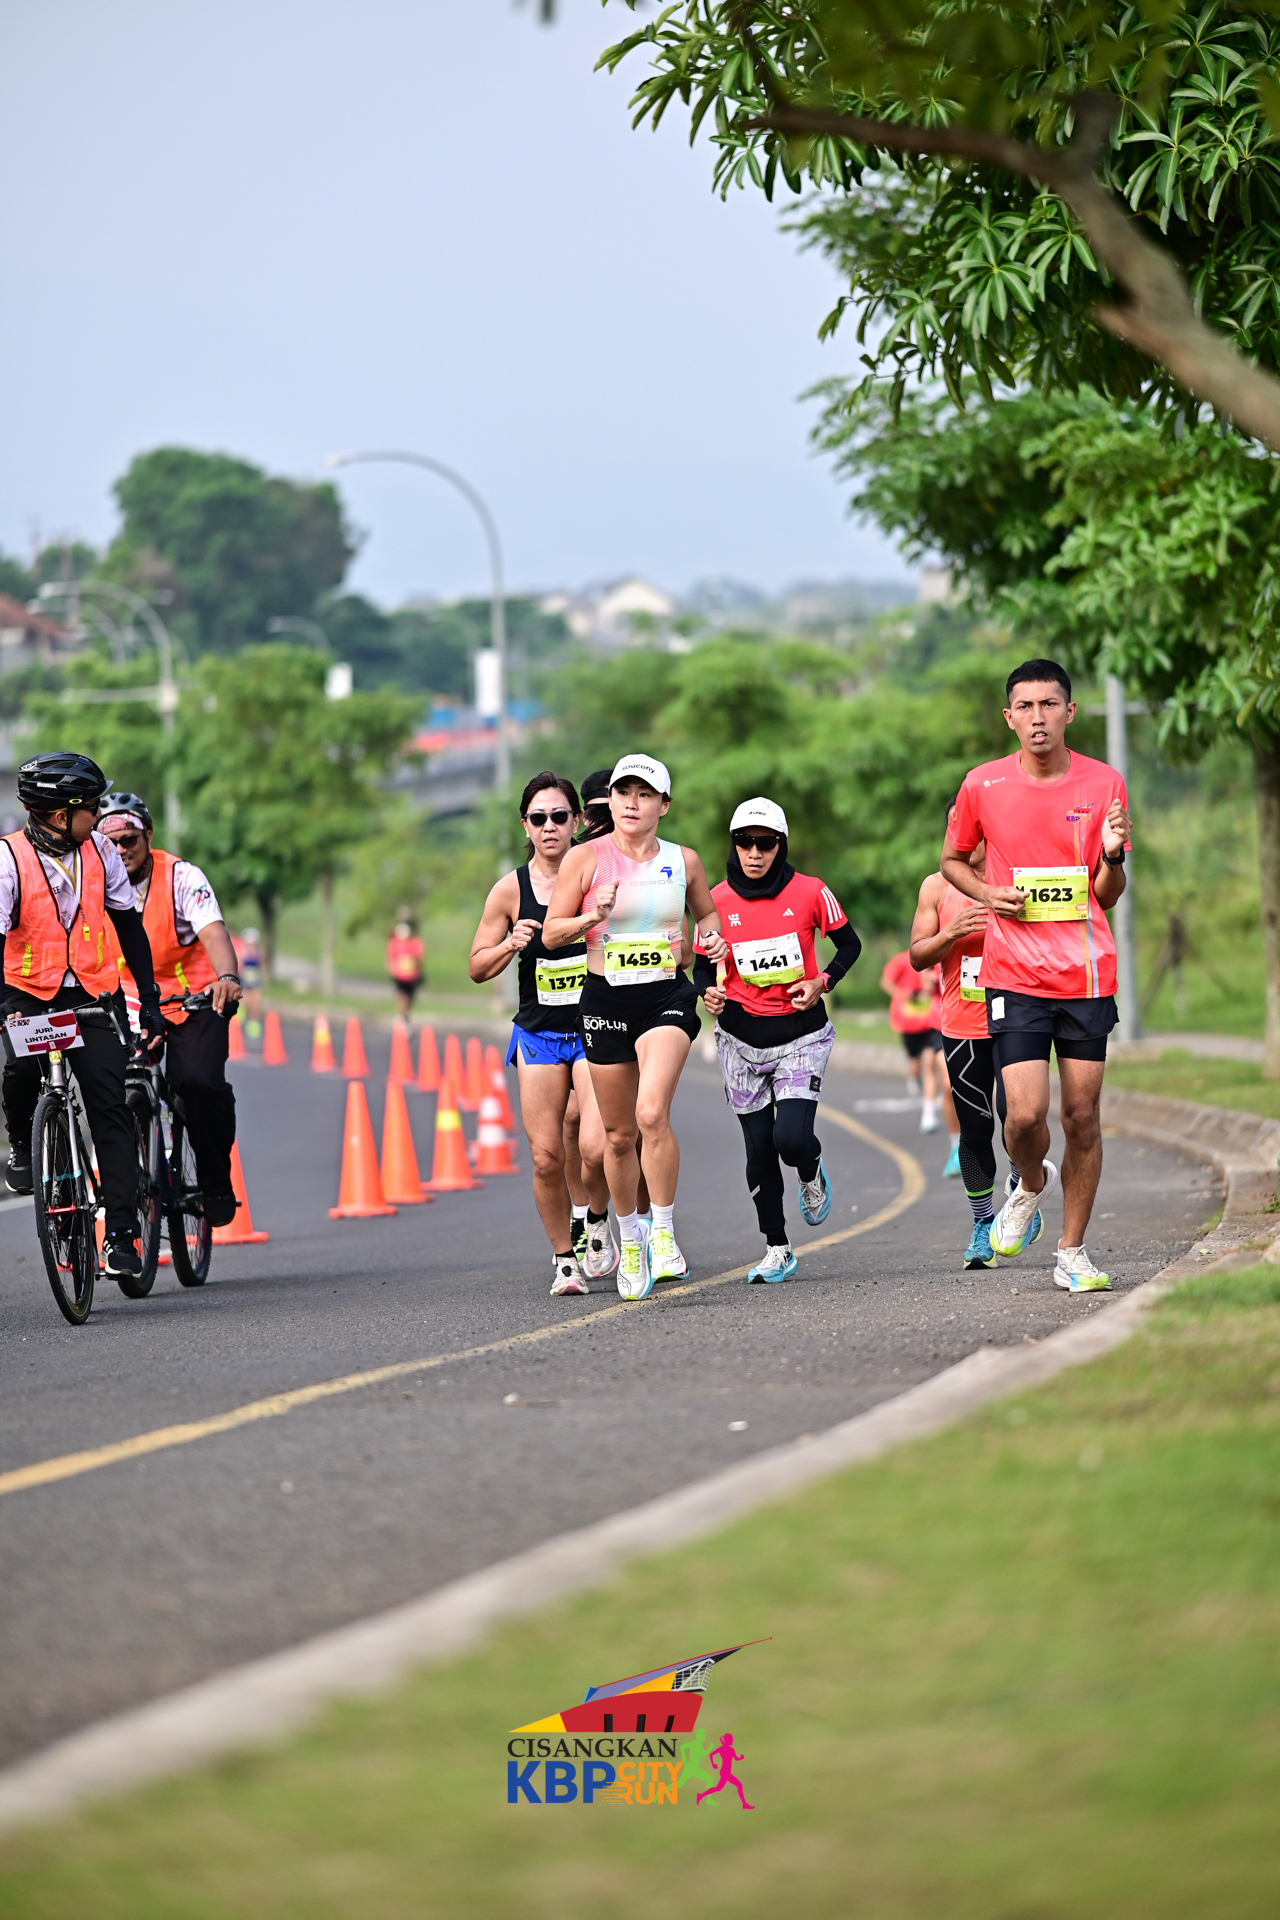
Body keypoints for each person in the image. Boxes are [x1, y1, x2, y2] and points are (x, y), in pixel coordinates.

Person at [941, 657, 1132, 1293]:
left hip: (1086, 975)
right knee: (1023, 1117)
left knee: (1082, 1116)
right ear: (1009, 717)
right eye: (1025, 706)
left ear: (1069, 711)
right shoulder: (982, 785)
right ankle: (1029, 1182)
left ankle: (1072, 1253)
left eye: (1049, 704)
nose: (1038, 717)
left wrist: (1111, 857)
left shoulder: (1104, 782)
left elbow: (1107, 894)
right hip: (1015, 974)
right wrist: (987, 893)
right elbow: (951, 860)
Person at [543, 754, 727, 1300]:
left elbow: (707, 915)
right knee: (619, 1136)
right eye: (624, 792)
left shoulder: (683, 860)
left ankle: (664, 1234)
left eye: (644, 794)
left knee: (651, 1114)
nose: (631, 803)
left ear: (663, 806)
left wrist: (709, 942)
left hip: (666, 997)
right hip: (605, 1000)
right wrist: (591, 916)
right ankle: (632, 1240)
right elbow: (551, 935)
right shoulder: (585, 859)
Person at [0, 752, 163, 1283]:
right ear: (58, 815)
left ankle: (122, 1235)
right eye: (91, 807)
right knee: (19, 1070)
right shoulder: (8, 859)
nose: (99, 816)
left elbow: (129, 926)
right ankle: (22, 1145)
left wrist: (149, 1000)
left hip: (91, 993)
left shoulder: (100, 852)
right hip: (27, 992)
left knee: (109, 1107)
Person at [695, 797, 861, 1283]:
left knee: (789, 1140)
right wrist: (707, 991)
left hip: (800, 1035)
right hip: (739, 1038)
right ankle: (777, 1247)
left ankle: (810, 1168)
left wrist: (823, 981)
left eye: (765, 844)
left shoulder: (811, 891)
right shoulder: (714, 901)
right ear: (734, 845)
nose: (754, 853)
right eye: (744, 842)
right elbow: (701, 966)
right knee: (759, 1150)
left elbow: (849, 944)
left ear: (780, 845)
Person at [468, 772, 615, 1296]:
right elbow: (476, 967)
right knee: (547, 1157)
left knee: (595, 1146)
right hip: (539, 1035)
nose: (549, 827)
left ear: (577, 821)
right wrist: (510, 944)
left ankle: (596, 1217)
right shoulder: (510, 889)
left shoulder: (600, 876)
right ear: (525, 826)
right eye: (538, 818)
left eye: (559, 816)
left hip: (596, 1029)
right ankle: (564, 1261)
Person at [99, 793, 243, 1229]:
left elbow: (213, 932)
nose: (120, 851)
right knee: (108, 1090)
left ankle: (214, 1182)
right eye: (111, 843)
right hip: (127, 1002)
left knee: (197, 1082)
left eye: (129, 840)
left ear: (148, 835)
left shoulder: (182, 877)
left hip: (193, 998)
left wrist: (227, 977)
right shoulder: (90, 880)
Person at [909, 819, 1028, 1269]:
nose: (966, 841)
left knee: (1018, 1116)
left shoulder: (1017, 876)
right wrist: (951, 933)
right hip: (962, 1026)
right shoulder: (936, 887)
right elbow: (917, 955)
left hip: (1017, 1019)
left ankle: (1021, 1191)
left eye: (976, 832)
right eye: (956, 833)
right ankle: (982, 1223)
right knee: (975, 1129)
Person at [879, 947, 948, 1132]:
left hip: (930, 1022)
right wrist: (905, 996)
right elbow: (886, 982)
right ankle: (914, 1075)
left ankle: (928, 1114)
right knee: (915, 1062)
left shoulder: (937, 956)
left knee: (929, 1063)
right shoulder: (903, 960)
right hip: (908, 1022)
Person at [387, 912, 425, 1017]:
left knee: (411, 997)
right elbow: (391, 957)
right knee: (403, 997)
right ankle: (402, 1015)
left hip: (412, 975)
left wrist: (418, 970)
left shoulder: (415, 942)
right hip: (400, 975)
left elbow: (419, 958)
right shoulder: (395, 942)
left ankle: (405, 1015)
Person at [235, 926, 264, 1040]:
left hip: (255, 983)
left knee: (256, 1004)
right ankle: (237, 1025)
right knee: (243, 1003)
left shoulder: (258, 953)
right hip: (244, 983)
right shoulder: (242, 953)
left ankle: (253, 1026)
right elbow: (238, 967)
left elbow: (262, 965)